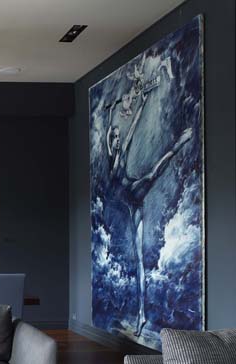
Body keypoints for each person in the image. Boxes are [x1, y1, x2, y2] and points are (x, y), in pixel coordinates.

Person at [103, 54, 193, 338]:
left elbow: (131, 130)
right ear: (110, 142)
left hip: (133, 193)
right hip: (130, 199)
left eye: (118, 136)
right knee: (139, 259)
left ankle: (142, 315)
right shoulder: (112, 160)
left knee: (154, 171)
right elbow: (116, 138)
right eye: (115, 137)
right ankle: (141, 314)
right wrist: (114, 121)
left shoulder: (121, 150)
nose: (119, 138)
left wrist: (141, 104)